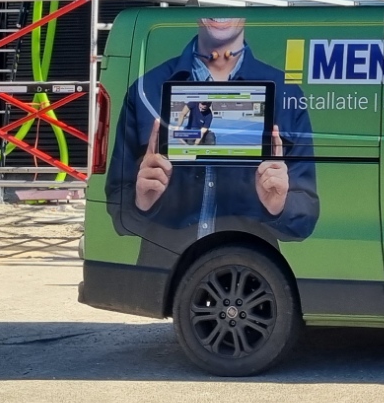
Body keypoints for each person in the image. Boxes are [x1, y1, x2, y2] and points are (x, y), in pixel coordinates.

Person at [106, 17, 319, 270]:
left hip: (249, 276)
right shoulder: (146, 90)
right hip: (164, 273)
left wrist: (279, 206)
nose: (221, 12)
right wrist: (140, 202)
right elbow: (118, 209)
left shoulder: (286, 92)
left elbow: (305, 218)